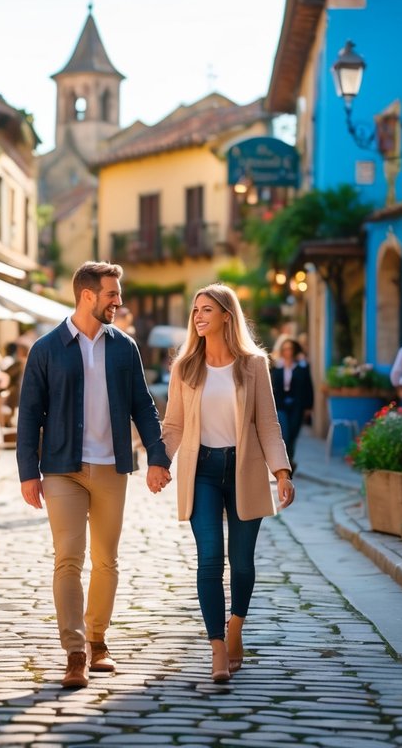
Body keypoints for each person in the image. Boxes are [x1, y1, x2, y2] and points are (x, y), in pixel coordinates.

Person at [17, 261, 170, 689]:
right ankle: (75, 652)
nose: (119, 302)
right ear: (88, 295)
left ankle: (99, 639)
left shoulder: (124, 347)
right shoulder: (46, 349)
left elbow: (143, 405)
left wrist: (158, 456)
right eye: (111, 295)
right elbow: (29, 414)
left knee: (106, 560)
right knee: (68, 558)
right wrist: (28, 472)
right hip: (62, 469)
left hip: (111, 467)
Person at [152, 284, 295, 683]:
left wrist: (281, 472)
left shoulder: (253, 365)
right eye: (195, 310)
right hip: (203, 473)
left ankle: (236, 627)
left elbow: (267, 422)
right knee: (210, 558)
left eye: (207, 310)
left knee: (243, 563)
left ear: (226, 317)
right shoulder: (185, 367)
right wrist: (159, 462)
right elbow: (175, 425)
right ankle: (216, 647)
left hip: (245, 469)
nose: (198, 317)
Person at [270, 337, 313, 470]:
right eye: (285, 349)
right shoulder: (277, 367)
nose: (287, 351)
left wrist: (308, 407)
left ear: (294, 351)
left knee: (293, 435)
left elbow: (308, 387)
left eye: (290, 349)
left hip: (296, 406)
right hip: (281, 405)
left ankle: (290, 461)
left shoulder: (301, 367)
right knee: (285, 435)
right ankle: (285, 465)